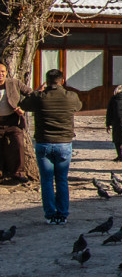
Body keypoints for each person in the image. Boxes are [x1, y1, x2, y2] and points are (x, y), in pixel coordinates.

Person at [15, 69, 82, 225]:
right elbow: (78, 106)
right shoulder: (70, 97)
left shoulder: (39, 97)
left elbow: (23, 105)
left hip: (44, 142)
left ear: (47, 81)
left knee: (46, 180)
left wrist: (36, 91)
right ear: (62, 80)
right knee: (61, 180)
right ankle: (63, 214)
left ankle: (50, 214)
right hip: (64, 142)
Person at [0, 62, 33, 183]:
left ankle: (18, 173)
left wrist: (23, 108)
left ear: (6, 73)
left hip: (12, 121)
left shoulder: (14, 83)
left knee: (18, 144)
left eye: (3, 72)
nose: (1, 74)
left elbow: (31, 94)